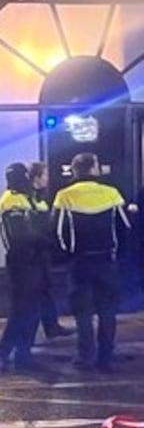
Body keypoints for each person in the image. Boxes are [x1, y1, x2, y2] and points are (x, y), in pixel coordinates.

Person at [53, 153, 132, 373]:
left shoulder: (64, 196)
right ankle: (105, 357)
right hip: (106, 260)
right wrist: (120, 254)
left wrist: (67, 255)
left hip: (79, 262)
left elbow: (58, 231)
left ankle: (85, 356)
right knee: (108, 311)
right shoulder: (111, 194)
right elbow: (124, 227)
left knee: (83, 312)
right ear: (93, 169)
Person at [0, 163, 54, 375]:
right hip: (22, 263)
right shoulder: (12, 200)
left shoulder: (29, 198)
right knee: (21, 311)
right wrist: (48, 242)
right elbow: (21, 236)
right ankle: (3, 354)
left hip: (34, 262)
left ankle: (23, 355)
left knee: (32, 311)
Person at [28, 162, 75, 339]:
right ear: (37, 177)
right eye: (45, 175)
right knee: (37, 293)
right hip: (34, 255)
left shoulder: (38, 197)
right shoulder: (29, 199)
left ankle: (52, 326)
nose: (48, 179)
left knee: (47, 290)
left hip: (42, 252)